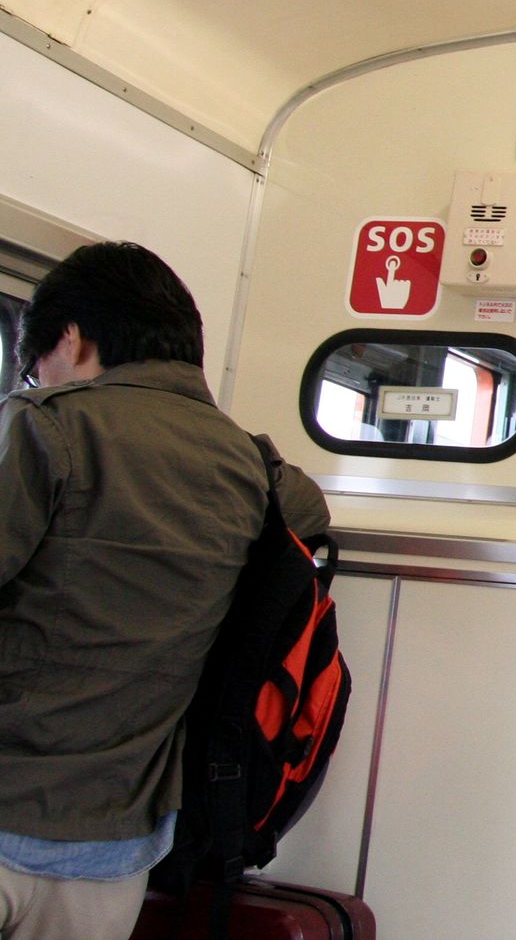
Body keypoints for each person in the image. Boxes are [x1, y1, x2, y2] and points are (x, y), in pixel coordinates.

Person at [0, 242, 329, 939]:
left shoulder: (45, 423)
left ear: (72, 338)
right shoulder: (252, 464)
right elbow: (306, 513)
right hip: (117, 850)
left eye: (35, 365)